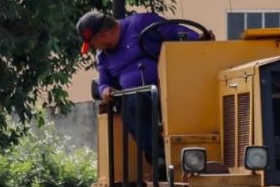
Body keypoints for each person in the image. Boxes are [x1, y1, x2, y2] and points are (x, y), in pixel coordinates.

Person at [77, 10, 197, 165]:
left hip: (176, 89)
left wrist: (200, 40)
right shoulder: (103, 56)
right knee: (131, 101)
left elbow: (184, 35)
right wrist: (105, 90)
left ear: (101, 36)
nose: (95, 48)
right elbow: (103, 83)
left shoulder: (141, 23)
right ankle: (159, 159)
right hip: (140, 99)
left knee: (135, 100)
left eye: (93, 44)